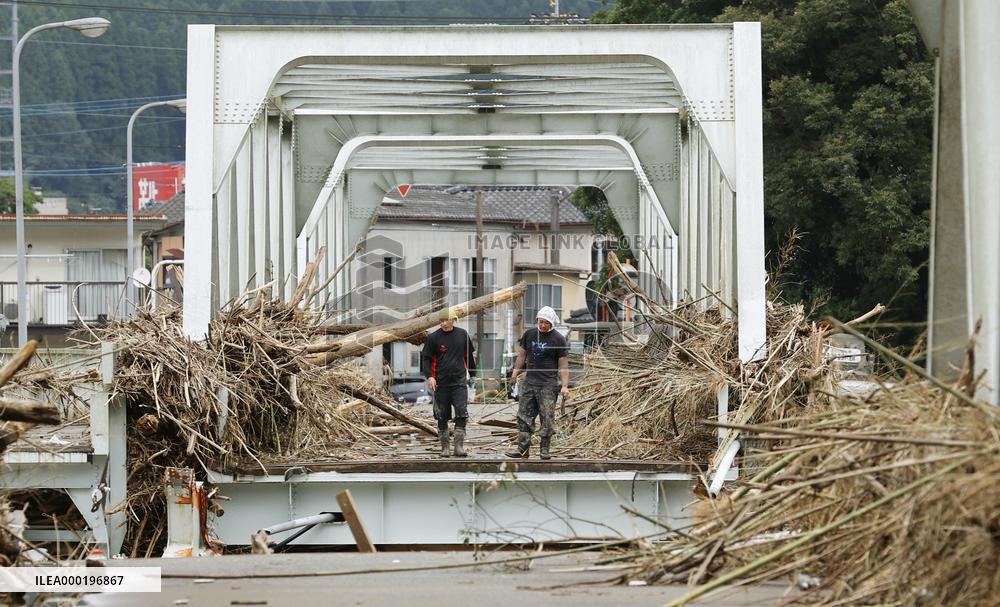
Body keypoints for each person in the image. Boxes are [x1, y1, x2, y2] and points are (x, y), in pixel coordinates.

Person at [505, 306, 569, 460]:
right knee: (524, 416)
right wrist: (514, 373)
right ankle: (522, 450)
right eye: (540, 322)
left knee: (547, 417)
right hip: (529, 383)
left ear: (551, 322)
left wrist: (565, 386)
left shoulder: (558, 339)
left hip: (548, 384)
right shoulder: (530, 334)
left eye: (545, 322)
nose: (542, 325)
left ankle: (544, 450)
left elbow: (563, 365)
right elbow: (522, 356)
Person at [420, 313, 476, 457]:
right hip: (440, 383)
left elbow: (468, 356)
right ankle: (445, 448)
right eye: (441, 321)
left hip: (459, 382)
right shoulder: (433, 338)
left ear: (453, 320)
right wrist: (430, 377)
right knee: (441, 416)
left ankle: (459, 447)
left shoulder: (462, 335)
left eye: (446, 320)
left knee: (462, 414)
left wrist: (473, 374)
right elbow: (426, 359)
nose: (443, 323)